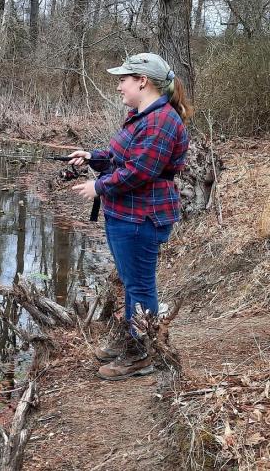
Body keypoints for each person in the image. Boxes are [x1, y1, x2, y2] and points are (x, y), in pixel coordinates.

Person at [68, 53, 191, 380]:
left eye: (124, 78)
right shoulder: (142, 115)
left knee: (140, 284)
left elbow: (139, 171)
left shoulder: (161, 121)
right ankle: (131, 338)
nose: (119, 84)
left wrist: (99, 187)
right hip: (125, 214)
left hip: (142, 218)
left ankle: (142, 353)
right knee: (131, 282)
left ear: (143, 81)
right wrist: (92, 157)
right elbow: (120, 155)